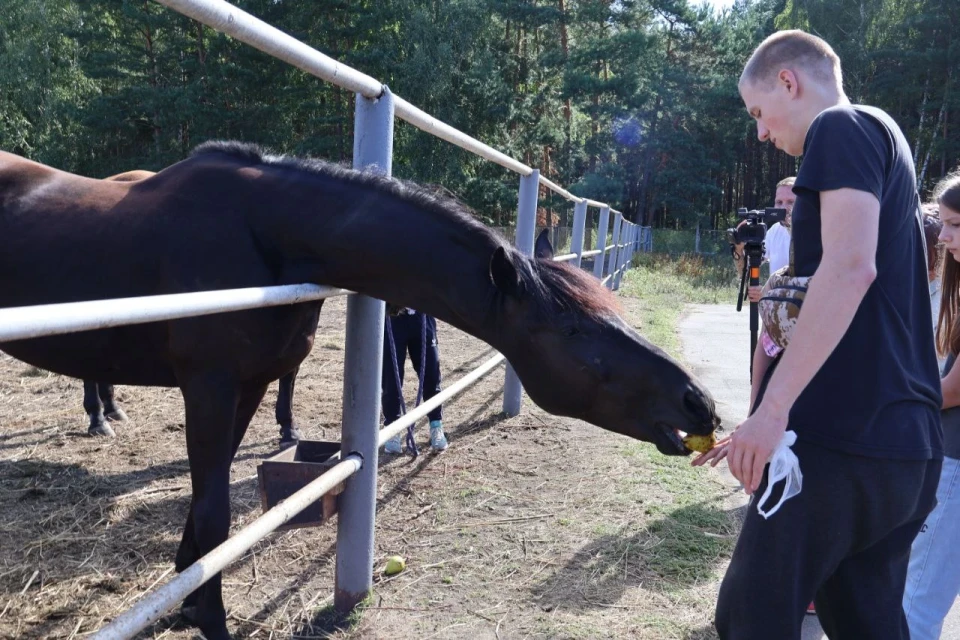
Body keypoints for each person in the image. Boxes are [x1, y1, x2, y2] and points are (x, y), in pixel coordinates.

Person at [694, 29, 942, 639]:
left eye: (758, 112)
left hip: (840, 442)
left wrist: (773, 410)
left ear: (789, 80)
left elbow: (851, 267)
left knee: (749, 620)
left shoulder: (841, 127)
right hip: (902, 447)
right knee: (864, 621)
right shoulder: (884, 135)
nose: (760, 132)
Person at [903, 176, 960, 640]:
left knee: (916, 599)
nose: (943, 237)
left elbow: (953, 390)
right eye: (942, 224)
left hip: (955, 461)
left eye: (955, 225)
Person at [381, 306, 448, 454]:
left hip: (421, 313)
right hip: (392, 315)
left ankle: (436, 425)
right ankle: (392, 429)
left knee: (431, 374)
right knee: (390, 378)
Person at [732, 176, 797, 303]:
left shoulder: (817, 232)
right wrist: (739, 249)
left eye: (791, 202)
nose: (784, 207)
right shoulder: (775, 231)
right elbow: (747, 269)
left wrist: (767, 292)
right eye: (779, 202)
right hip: (776, 313)